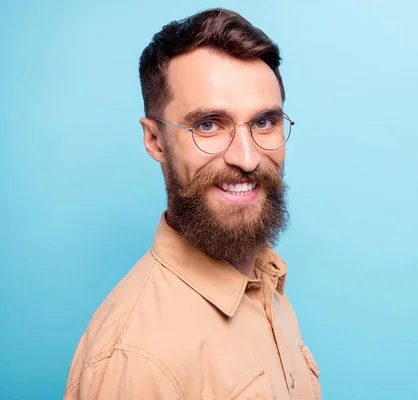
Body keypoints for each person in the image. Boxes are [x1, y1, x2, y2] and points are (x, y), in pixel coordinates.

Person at [63, 8, 321, 399]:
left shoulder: (267, 282)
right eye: (209, 125)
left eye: (264, 122)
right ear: (155, 141)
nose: (247, 158)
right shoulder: (137, 361)